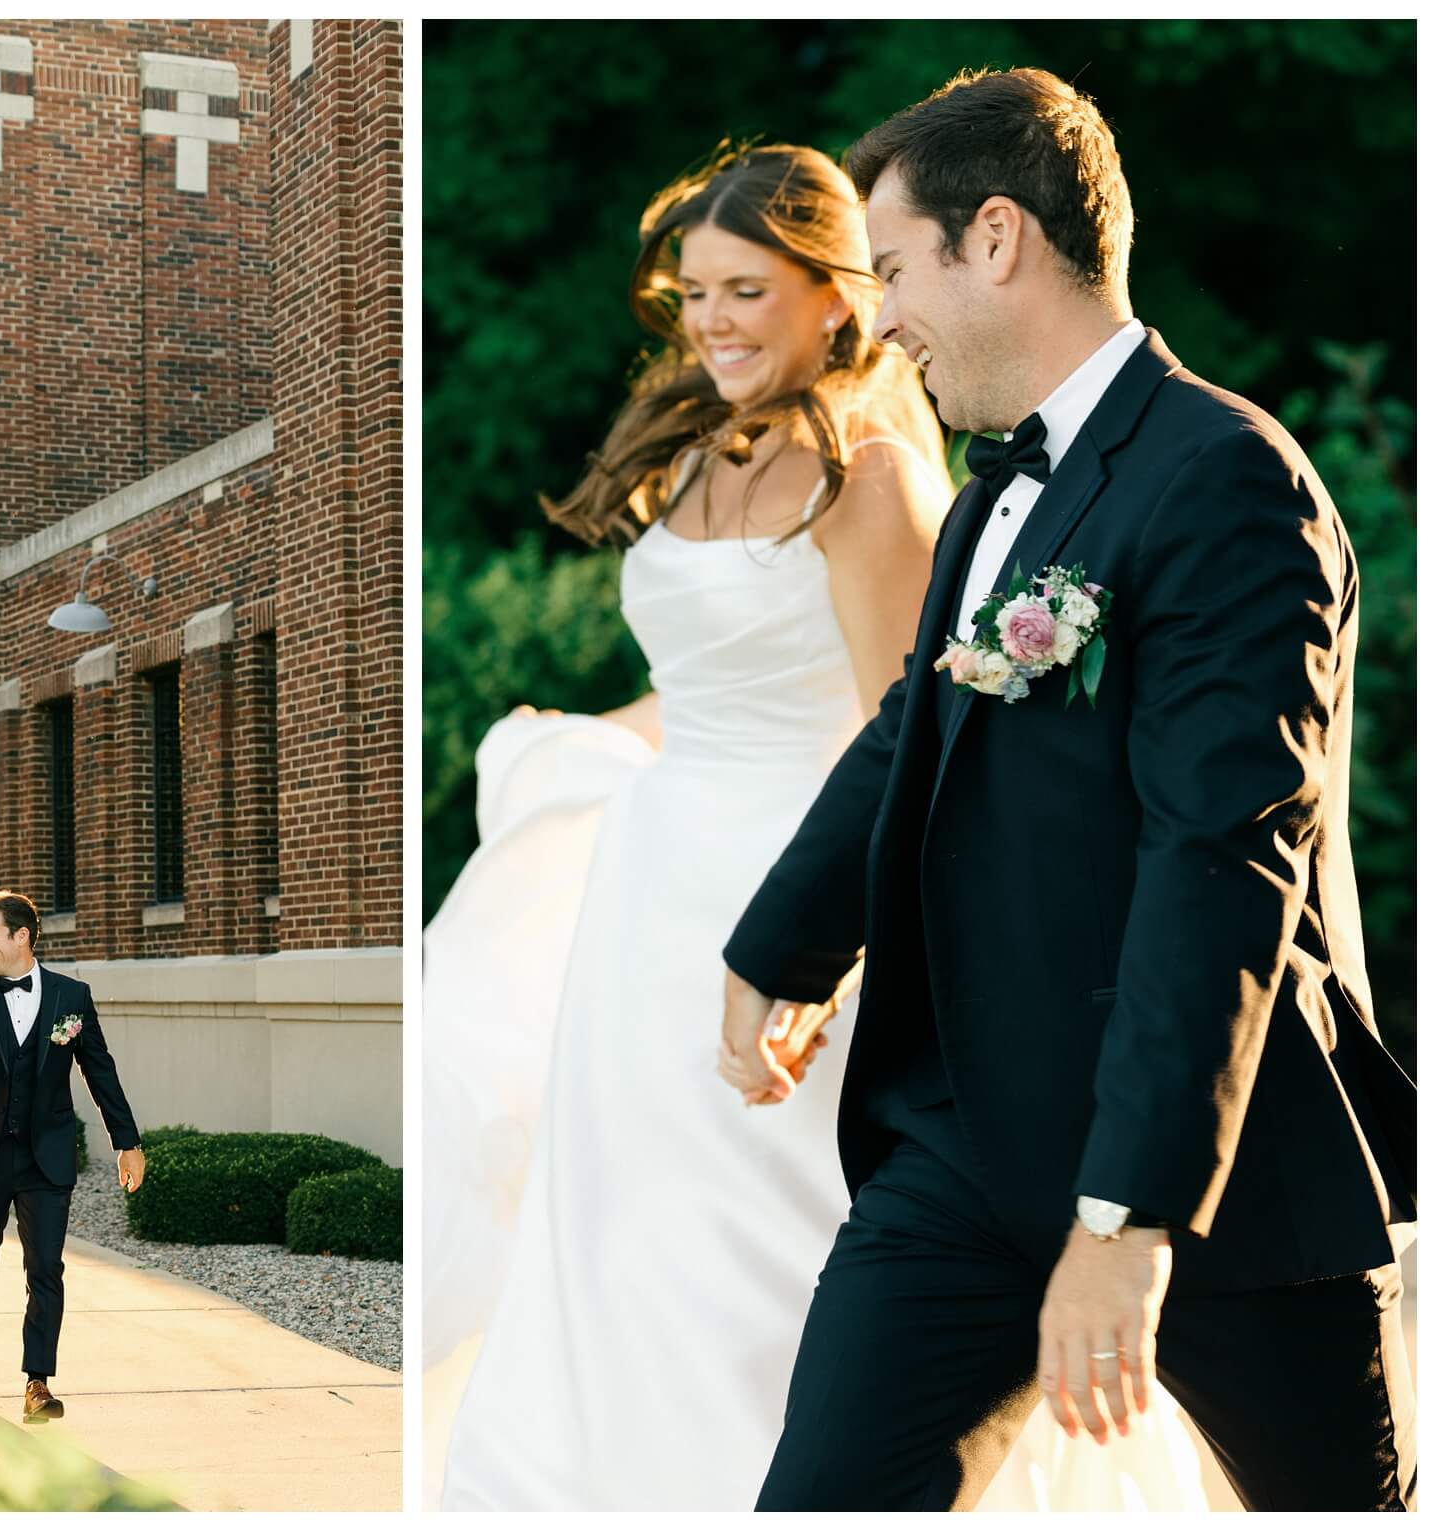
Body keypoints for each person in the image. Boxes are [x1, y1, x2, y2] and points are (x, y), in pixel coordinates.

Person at [427, 141, 1204, 1510]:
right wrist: (587, 740)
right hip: (646, 904)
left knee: (778, 1233)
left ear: (835, 297)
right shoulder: (693, 459)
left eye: (745, 289)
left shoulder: (872, 478)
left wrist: (830, 946)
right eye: (695, 296)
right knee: (633, 1232)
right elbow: (705, 686)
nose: (713, 322)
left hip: (790, 905)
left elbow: (902, 738)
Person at [721, 69, 1415, 1511]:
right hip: (961, 1141)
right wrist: (778, 943)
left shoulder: (1228, 480)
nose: (884, 317)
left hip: (1210, 1163)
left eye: (895, 268)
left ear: (995, 239)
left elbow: (1221, 857)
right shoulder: (987, 493)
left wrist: (1127, 1212)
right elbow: (921, 717)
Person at [0, 889, 146, 1423]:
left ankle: (37, 1381)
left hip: (46, 1154)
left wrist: (127, 1143)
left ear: (21, 936)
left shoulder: (72, 996)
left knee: (45, 1267)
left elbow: (100, 1071)